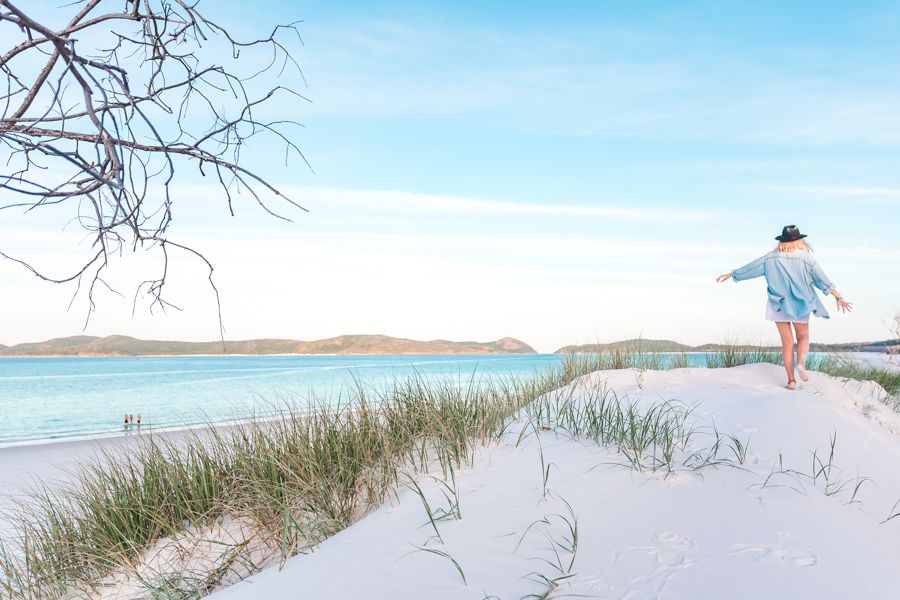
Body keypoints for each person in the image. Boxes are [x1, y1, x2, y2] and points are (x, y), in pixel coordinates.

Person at [717, 225, 853, 390]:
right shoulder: (806, 258)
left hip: (778, 304)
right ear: (799, 240)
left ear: (781, 241)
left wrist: (732, 274)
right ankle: (801, 364)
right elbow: (822, 280)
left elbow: (750, 269)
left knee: (787, 343)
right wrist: (838, 297)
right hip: (801, 304)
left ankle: (791, 381)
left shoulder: (770, 258)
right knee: (803, 338)